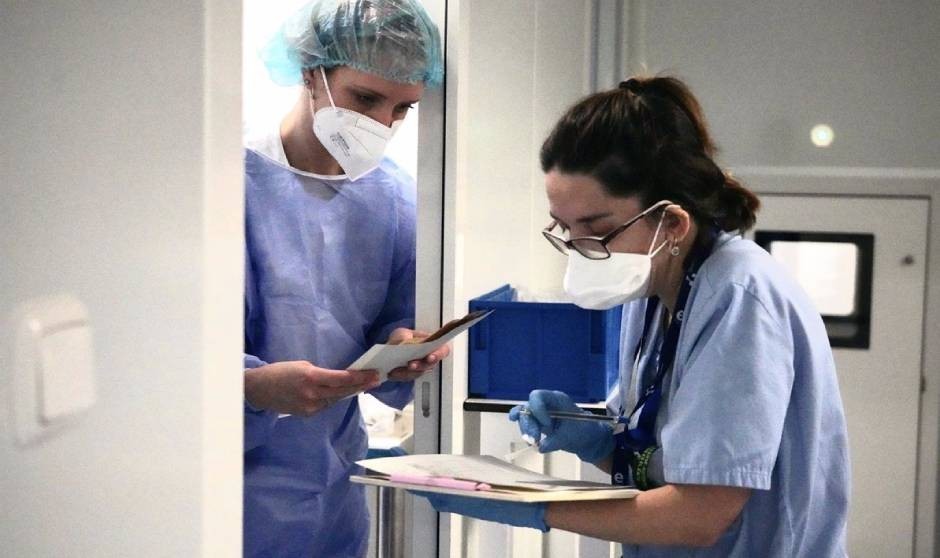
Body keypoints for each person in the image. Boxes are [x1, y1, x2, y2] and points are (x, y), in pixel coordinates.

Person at [415, 76, 850, 557]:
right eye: (565, 228)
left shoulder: (739, 299)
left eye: (596, 229)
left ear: (672, 223)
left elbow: (700, 515)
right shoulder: (651, 288)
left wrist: (535, 507)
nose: (578, 249)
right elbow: (662, 465)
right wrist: (598, 442)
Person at [241, 1, 445, 556]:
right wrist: (252, 388)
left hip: (335, 488)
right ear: (311, 72)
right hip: (225, 489)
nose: (382, 124)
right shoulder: (224, 183)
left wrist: (404, 348)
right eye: (365, 99)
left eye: (402, 108)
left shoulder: (397, 202)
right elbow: (167, 357)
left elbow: (394, 326)